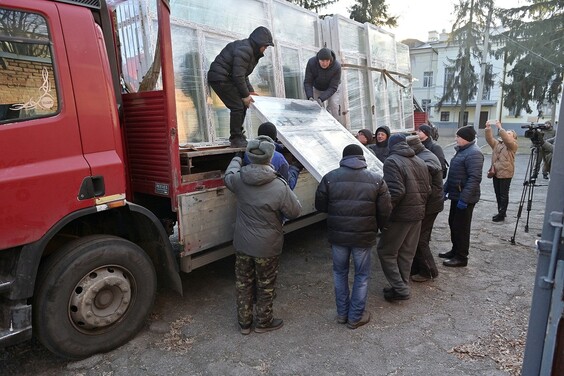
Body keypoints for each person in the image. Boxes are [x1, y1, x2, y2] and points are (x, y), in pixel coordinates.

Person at [224, 136, 301, 334]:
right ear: (270, 157)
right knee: (266, 286)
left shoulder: (239, 180)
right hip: (268, 246)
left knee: (243, 283)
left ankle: (244, 324)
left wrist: (236, 158)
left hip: (242, 243)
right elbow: (295, 211)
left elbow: (229, 175)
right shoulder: (279, 186)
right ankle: (263, 322)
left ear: (249, 155)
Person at [315, 144, 391, 329]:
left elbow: (320, 206)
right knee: (362, 275)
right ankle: (355, 316)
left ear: (343, 158)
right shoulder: (376, 180)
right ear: (362, 158)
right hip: (363, 236)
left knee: (339, 273)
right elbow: (385, 210)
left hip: (338, 235)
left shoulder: (330, 178)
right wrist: (381, 227)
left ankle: (342, 314)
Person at [376, 134, 430, 301]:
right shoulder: (419, 160)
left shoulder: (392, 161)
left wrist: (385, 213)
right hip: (417, 214)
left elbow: (395, 192)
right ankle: (402, 284)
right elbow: (428, 189)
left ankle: (400, 289)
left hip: (400, 215)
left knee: (386, 251)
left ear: (391, 146)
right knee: (406, 252)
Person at [208, 26, 274, 148]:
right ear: (258, 42)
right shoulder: (245, 50)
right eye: (265, 46)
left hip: (227, 77)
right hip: (220, 77)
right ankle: (236, 138)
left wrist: (250, 92)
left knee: (241, 105)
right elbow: (238, 76)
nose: (265, 49)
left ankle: (238, 135)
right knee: (238, 106)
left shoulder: (250, 51)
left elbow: (243, 75)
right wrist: (245, 95)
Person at [440, 126, 484, 267]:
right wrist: (445, 190)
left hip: (465, 198)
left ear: (466, 138)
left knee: (462, 228)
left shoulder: (474, 153)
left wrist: (464, 199)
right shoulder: (462, 151)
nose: (456, 139)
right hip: (456, 195)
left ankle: (461, 257)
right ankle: (455, 250)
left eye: (458, 136)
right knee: (453, 224)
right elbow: (454, 174)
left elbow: (474, 178)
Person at [406, 136, 444, 282]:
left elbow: (425, 183)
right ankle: (417, 267)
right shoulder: (424, 154)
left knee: (421, 238)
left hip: (430, 204)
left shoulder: (425, 159)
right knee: (420, 237)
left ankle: (429, 271)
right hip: (431, 203)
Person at [243, 122, 301, 190]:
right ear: (275, 137)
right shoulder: (279, 158)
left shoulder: (248, 153)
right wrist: (295, 168)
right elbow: (288, 186)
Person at [485, 120, 518, 222]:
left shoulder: (513, 145)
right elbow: (489, 139)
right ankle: (501, 211)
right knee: (497, 193)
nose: (506, 135)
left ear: (513, 137)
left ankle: (502, 214)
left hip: (506, 173)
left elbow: (507, 141)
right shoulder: (497, 144)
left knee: (503, 194)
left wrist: (500, 128)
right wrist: (488, 128)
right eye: (506, 133)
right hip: (496, 172)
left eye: (509, 134)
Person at [304, 47, 342, 119]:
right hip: (316, 87)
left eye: (327, 61)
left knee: (333, 105)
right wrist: (310, 97)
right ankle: (316, 124)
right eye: (322, 61)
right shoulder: (311, 63)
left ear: (330, 60)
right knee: (313, 106)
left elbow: (333, 87)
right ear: (318, 60)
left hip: (332, 88)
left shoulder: (337, 66)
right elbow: (308, 82)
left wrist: (321, 98)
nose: (324, 63)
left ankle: (334, 124)